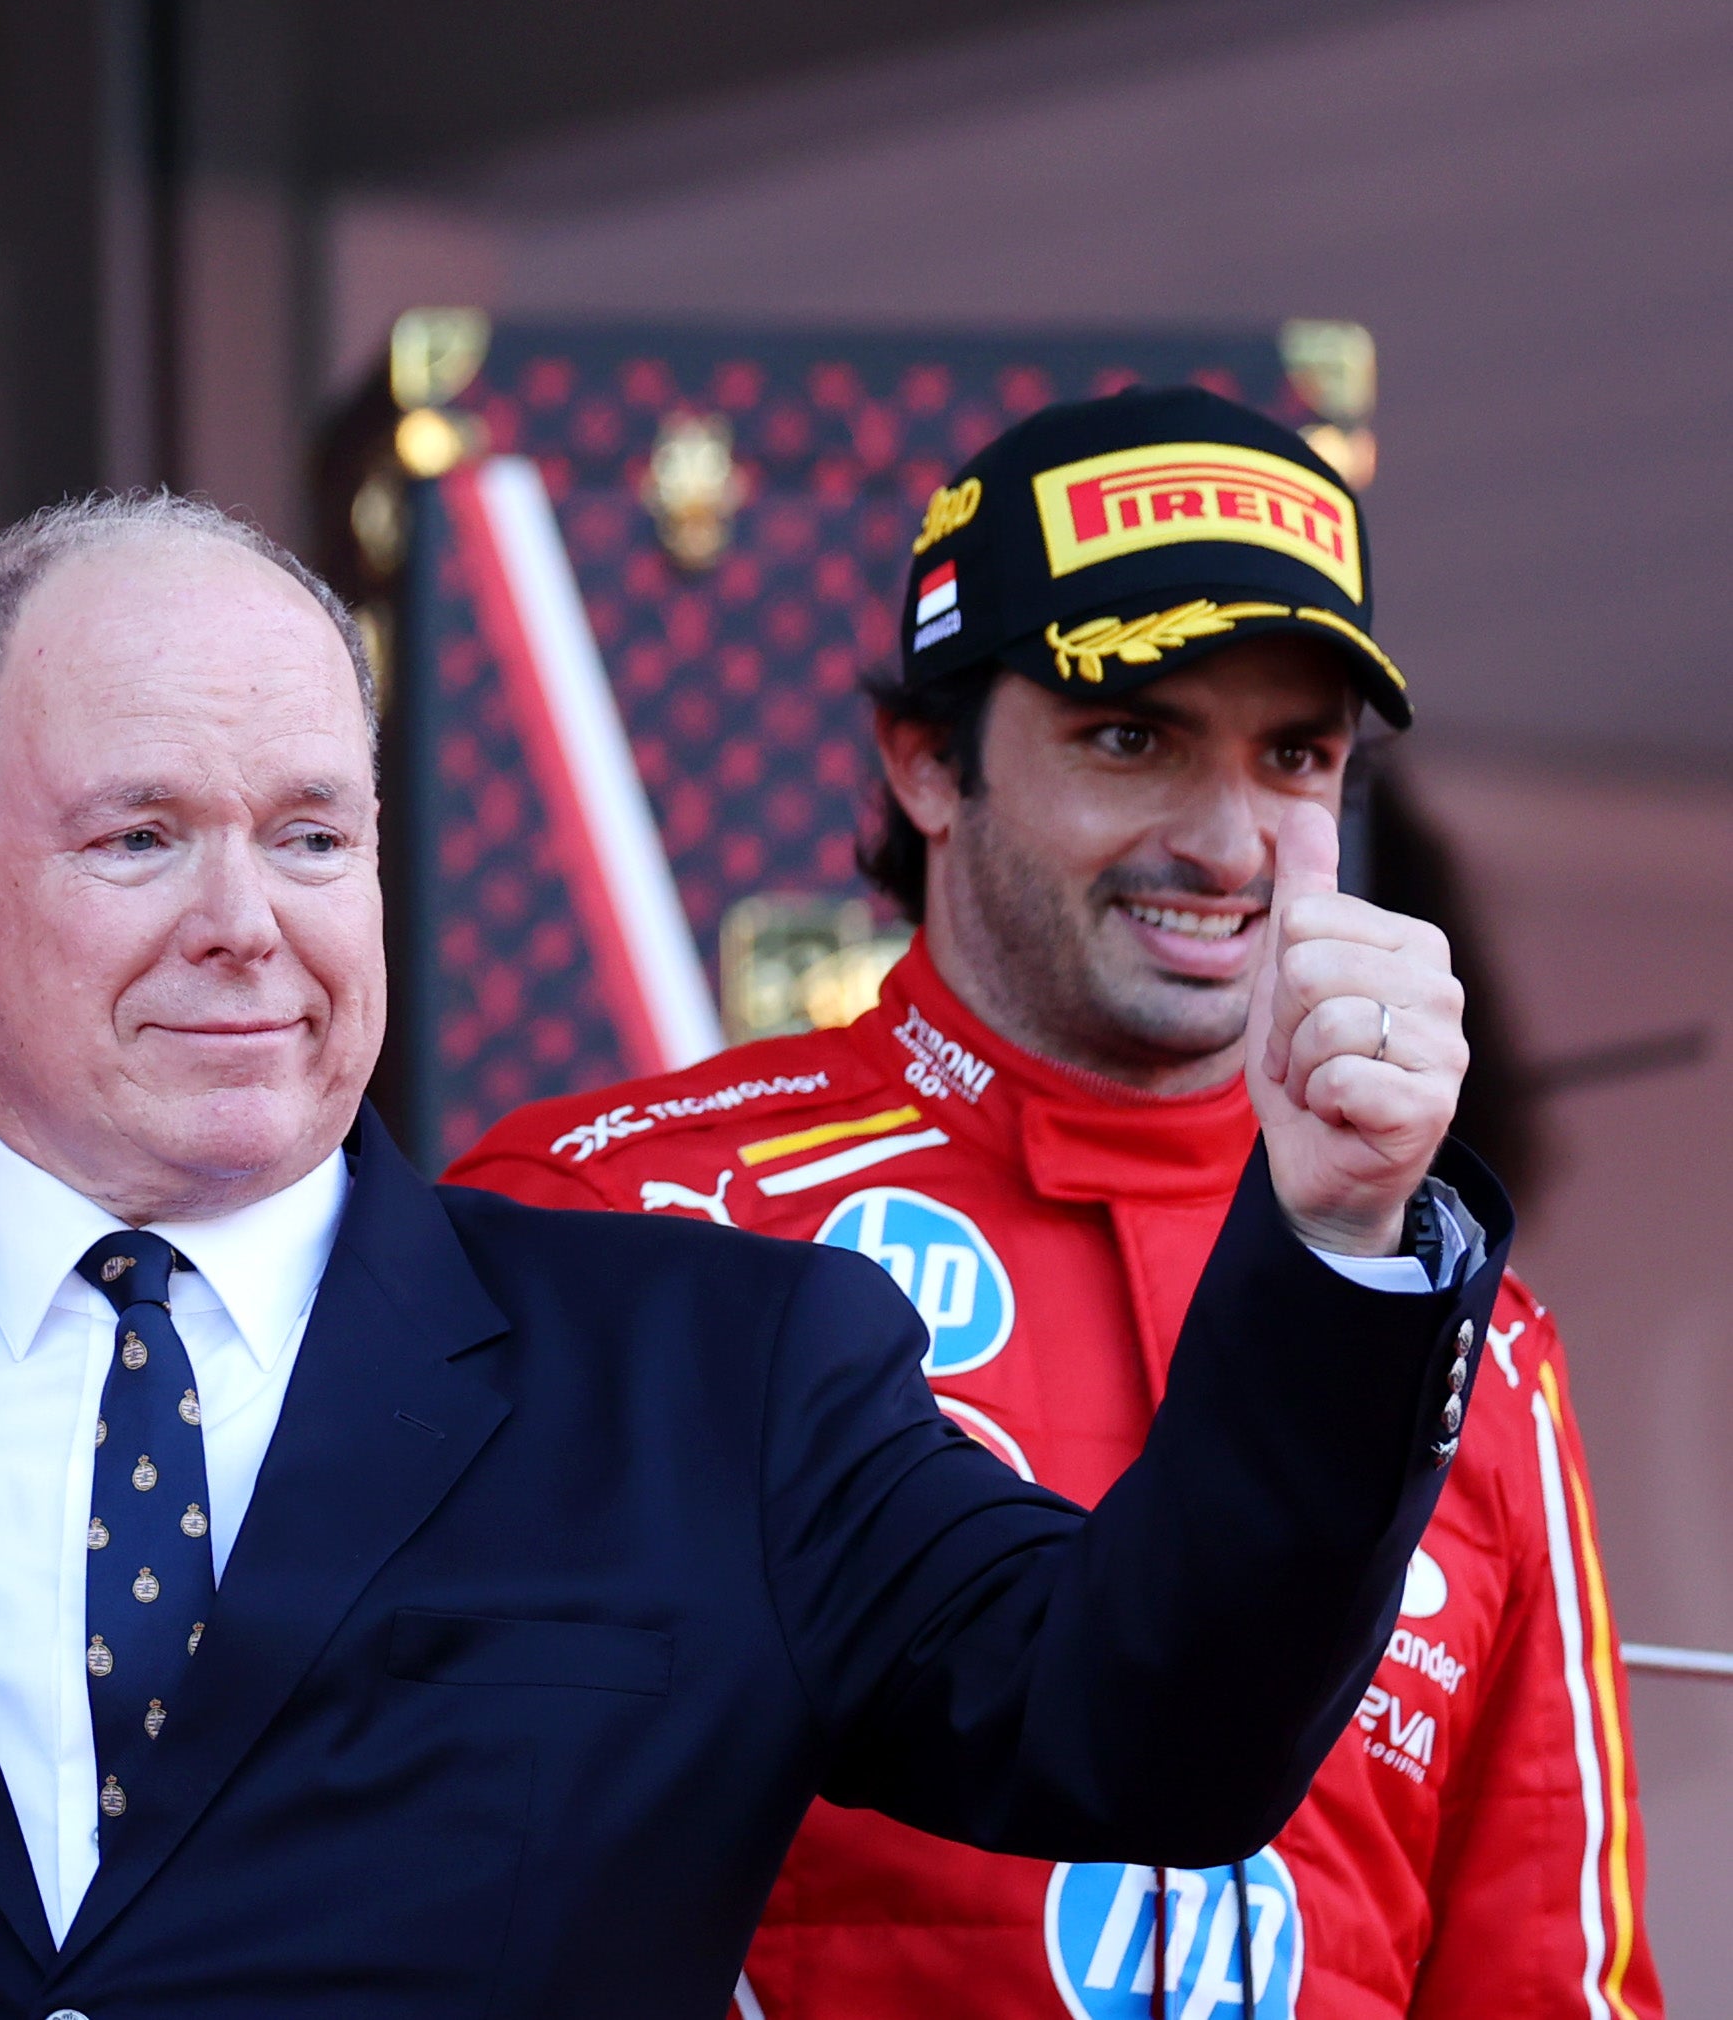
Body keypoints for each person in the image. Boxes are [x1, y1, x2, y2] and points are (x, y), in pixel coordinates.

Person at [0, 482, 1508, 2020]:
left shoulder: (705, 1369)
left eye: (310, 833)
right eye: (141, 835)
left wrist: (1332, 1243)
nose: (242, 921)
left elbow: (1155, 1735)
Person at [455, 389, 1657, 2015]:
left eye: (1293, 754)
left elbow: (1548, 1979)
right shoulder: (627, 1218)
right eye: (1130, 733)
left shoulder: (1457, 1329)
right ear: (925, 765)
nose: (1229, 838)